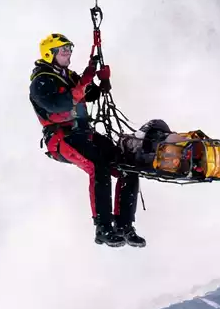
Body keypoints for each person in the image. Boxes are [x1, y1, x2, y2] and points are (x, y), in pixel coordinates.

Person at [28, 33, 145, 247]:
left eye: (69, 49)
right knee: (98, 167)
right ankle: (103, 228)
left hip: (83, 133)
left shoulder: (68, 75)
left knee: (129, 166)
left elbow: (87, 94)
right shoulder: (41, 81)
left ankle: (124, 226)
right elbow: (59, 105)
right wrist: (85, 80)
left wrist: (102, 82)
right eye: (63, 50)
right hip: (62, 138)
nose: (68, 53)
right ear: (49, 53)